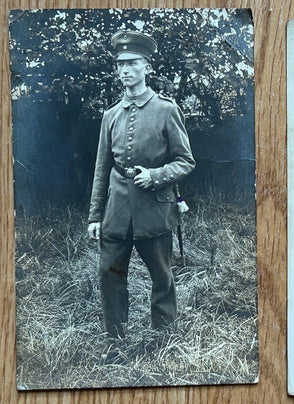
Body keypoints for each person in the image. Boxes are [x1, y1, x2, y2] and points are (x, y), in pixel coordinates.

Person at [87, 31, 195, 339]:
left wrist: (155, 175)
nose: (124, 70)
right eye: (120, 63)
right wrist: (96, 215)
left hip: (155, 210)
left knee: (162, 277)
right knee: (110, 275)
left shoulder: (166, 110)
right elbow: (101, 168)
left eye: (132, 63)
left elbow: (186, 161)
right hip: (116, 211)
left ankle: (164, 337)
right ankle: (115, 340)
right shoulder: (110, 116)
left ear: (146, 67)